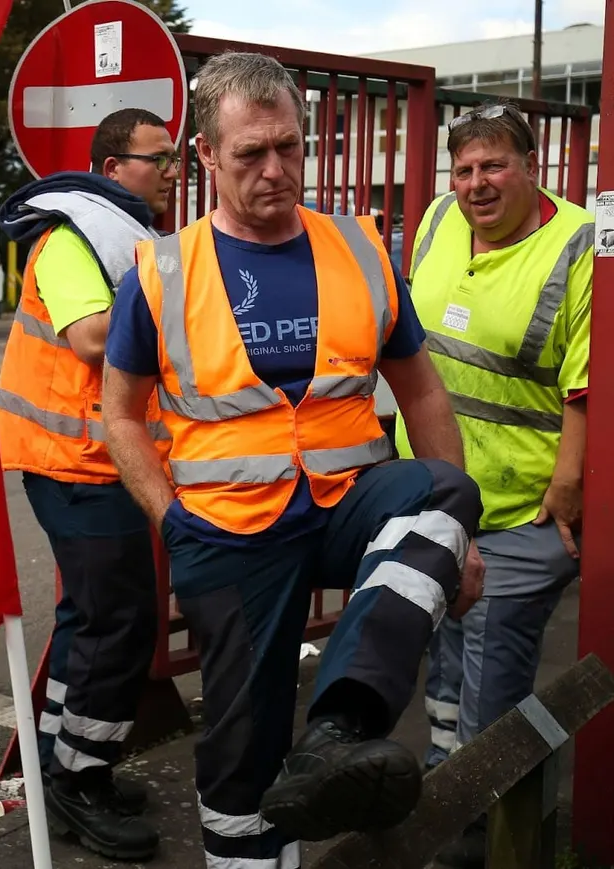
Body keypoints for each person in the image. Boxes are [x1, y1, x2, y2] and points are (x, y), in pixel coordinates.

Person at [100, 51, 487, 869]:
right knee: (243, 736)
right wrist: (172, 518)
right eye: (250, 153)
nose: (275, 169)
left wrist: (461, 539)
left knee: (443, 491)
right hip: (228, 531)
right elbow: (120, 417)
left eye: (289, 147)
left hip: (345, 501)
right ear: (205, 156)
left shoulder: (359, 246)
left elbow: (421, 394)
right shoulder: (162, 272)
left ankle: (340, 728)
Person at [394, 100, 591, 869]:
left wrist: (569, 486)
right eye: (465, 167)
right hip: (440, 494)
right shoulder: (439, 219)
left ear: (532, 166)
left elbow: (585, 385)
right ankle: (450, 786)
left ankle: (476, 830)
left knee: (492, 681)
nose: (477, 183)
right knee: (440, 646)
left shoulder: (575, 243)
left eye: (495, 165)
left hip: (523, 511)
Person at [0, 107, 179, 861]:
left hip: (95, 464)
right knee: (120, 623)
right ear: (111, 170)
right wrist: (181, 309)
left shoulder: (115, 232)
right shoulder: (73, 236)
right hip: (75, 466)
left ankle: (60, 764)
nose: (171, 167)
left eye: (173, 155)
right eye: (155, 156)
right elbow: (91, 336)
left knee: (89, 620)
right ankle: (80, 780)